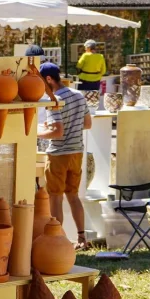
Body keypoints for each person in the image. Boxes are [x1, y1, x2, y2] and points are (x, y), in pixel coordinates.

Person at [37, 62, 92, 250]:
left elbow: (58, 132)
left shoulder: (54, 100)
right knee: (74, 196)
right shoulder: (78, 95)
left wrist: (35, 133)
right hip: (76, 152)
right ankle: (82, 238)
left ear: (49, 79)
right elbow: (87, 124)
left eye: (41, 81)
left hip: (59, 154)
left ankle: (57, 241)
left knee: (55, 198)